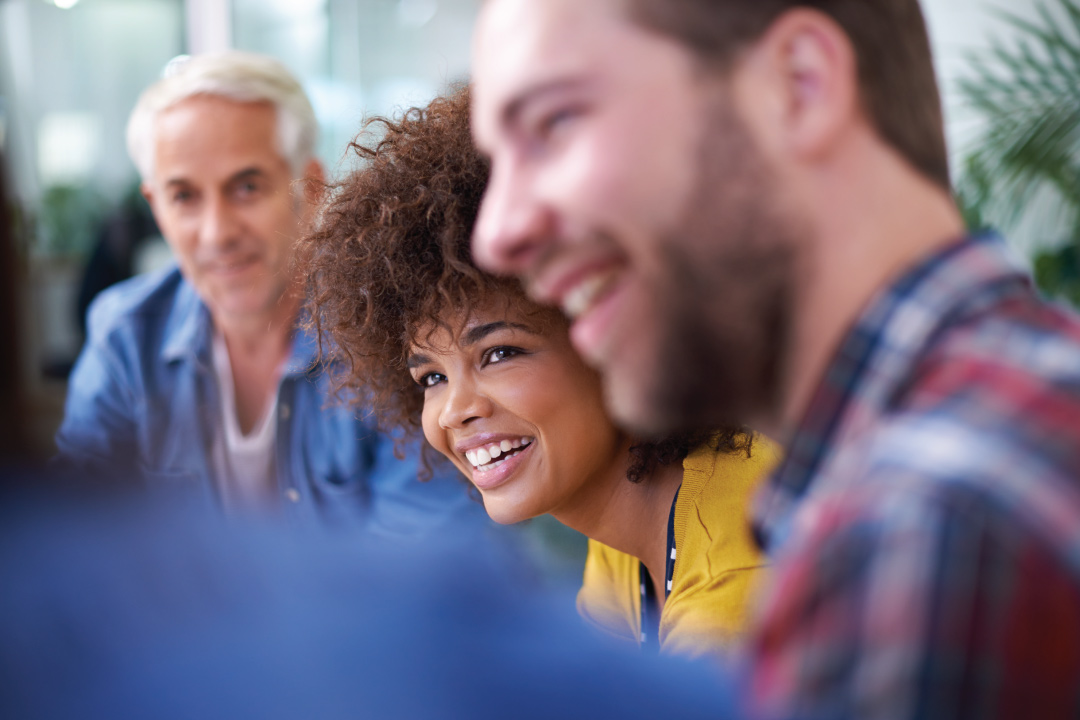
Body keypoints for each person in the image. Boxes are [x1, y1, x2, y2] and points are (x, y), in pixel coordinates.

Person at [470, 0, 1080, 716]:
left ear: (799, 85)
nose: (497, 234)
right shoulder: (1024, 394)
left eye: (555, 123)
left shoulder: (921, 529)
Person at [302, 88, 781, 658]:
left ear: (611, 333)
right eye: (431, 377)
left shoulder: (736, 574)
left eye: (500, 353)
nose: (456, 409)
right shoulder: (630, 519)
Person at [54, 51, 480, 534]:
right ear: (156, 208)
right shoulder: (126, 336)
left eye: (247, 187)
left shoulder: (389, 330)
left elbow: (425, 572)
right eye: (184, 196)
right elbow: (79, 537)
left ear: (313, 188)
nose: (217, 233)